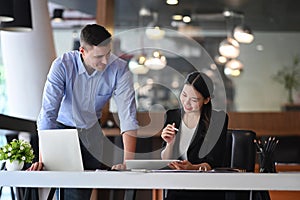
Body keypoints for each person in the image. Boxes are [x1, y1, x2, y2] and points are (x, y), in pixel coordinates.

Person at [28, 24, 139, 199]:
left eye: (108, 54)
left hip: (90, 132)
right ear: (82, 51)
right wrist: (44, 158)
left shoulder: (119, 69)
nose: (105, 61)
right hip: (60, 130)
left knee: (78, 194)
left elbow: (128, 116)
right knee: (47, 189)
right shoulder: (62, 66)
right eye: (99, 56)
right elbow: (48, 113)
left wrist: (128, 163)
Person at [161, 71, 228, 200]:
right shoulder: (172, 115)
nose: (186, 103)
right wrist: (170, 143)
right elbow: (166, 160)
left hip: (205, 190)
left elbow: (213, 162)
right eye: (184, 95)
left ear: (207, 100)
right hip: (177, 188)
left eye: (194, 99)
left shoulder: (218, 120)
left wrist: (192, 168)